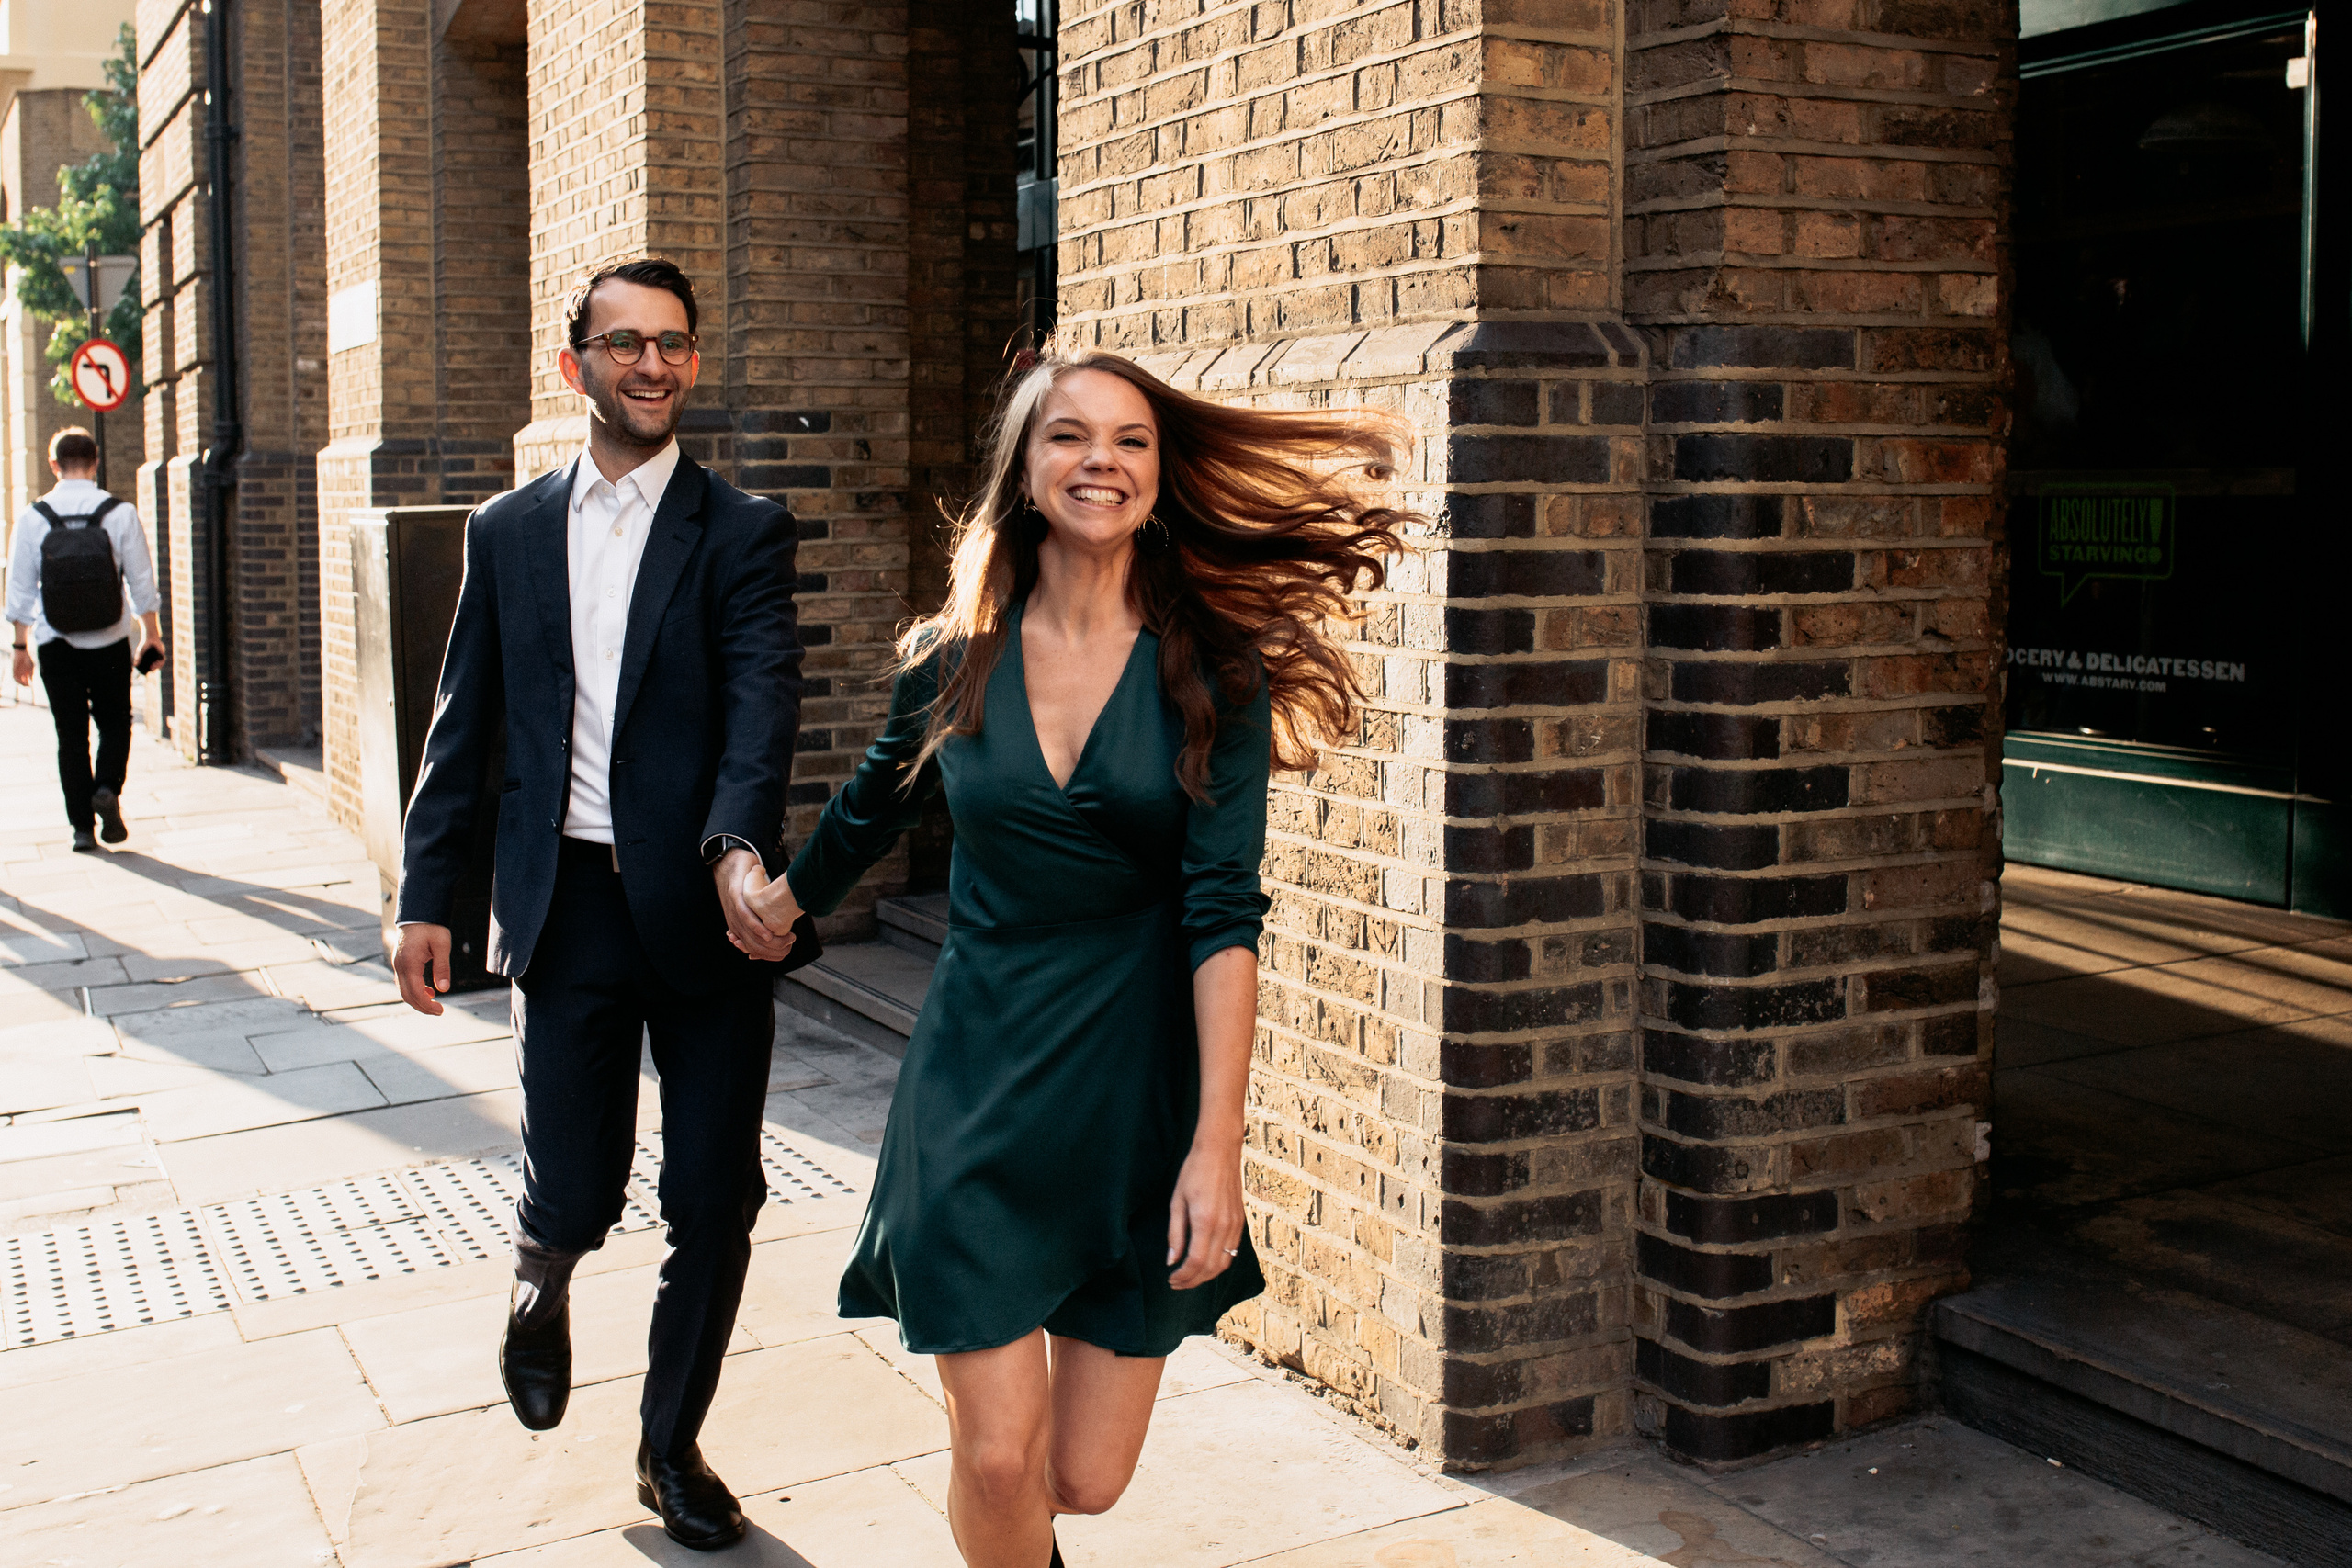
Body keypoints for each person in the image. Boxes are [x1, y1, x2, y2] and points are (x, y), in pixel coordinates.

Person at [748, 347, 1411, 1568]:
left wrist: (1216, 1145)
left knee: (1081, 1480)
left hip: (1131, 1094)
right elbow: (866, 810)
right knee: (999, 1459)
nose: (1100, 460)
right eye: (1068, 435)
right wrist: (772, 900)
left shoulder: (1212, 668)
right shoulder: (952, 659)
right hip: (976, 1081)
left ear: (1157, 476)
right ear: (1024, 468)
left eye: (1129, 439)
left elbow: (1223, 911)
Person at [391, 256, 813, 1551]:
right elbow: (463, 722)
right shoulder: (507, 531)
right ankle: (541, 1279)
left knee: (714, 1198)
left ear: (693, 361)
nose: (652, 364)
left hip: (702, 913)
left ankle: (669, 1445)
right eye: (625, 342)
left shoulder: (742, 530)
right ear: (572, 363)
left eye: (672, 343)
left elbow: (762, 704)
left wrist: (737, 846)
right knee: (576, 1189)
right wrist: (427, 894)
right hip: (564, 905)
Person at [6, 426, 164, 852]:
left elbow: (19, 588)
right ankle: (107, 787)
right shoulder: (120, 513)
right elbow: (141, 581)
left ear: (53, 465)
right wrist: (151, 635)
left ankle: (81, 829)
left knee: (70, 735)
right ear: (95, 463)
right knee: (115, 722)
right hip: (110, 639)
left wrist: (20, 648)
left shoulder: (33, 517)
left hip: (56, 643)